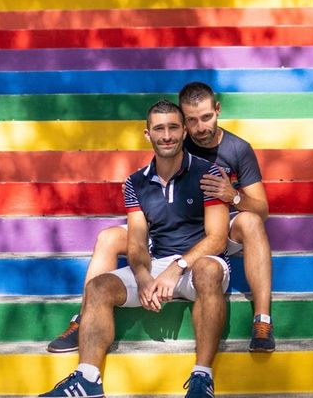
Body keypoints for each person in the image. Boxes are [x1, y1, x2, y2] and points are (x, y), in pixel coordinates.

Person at [47, 82, 274, 354]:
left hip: (219, 221)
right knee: (108, 237)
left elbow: (262, 209)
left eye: (206, 118)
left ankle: (262, 319)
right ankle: (83, 319)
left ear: (217, 110)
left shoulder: (238, 149)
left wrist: (232, 195)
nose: (200, 127)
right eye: (191, 120)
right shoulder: (174, 137)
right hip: (174, 225)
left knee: (251, 221)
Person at [40, 99, 230, 397]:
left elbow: (217, 239)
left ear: (183, 132)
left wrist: (176, 268)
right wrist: (143, 276)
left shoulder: (209, 173)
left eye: (173, 128)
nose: (166, 135)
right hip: (157, 262)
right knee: (99, 287)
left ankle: (202, 377)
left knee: (207, 268)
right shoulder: (135, 182)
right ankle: (87, 379)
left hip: (199, 264)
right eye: (159, 129)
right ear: (147, 134)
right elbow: (138, 239)